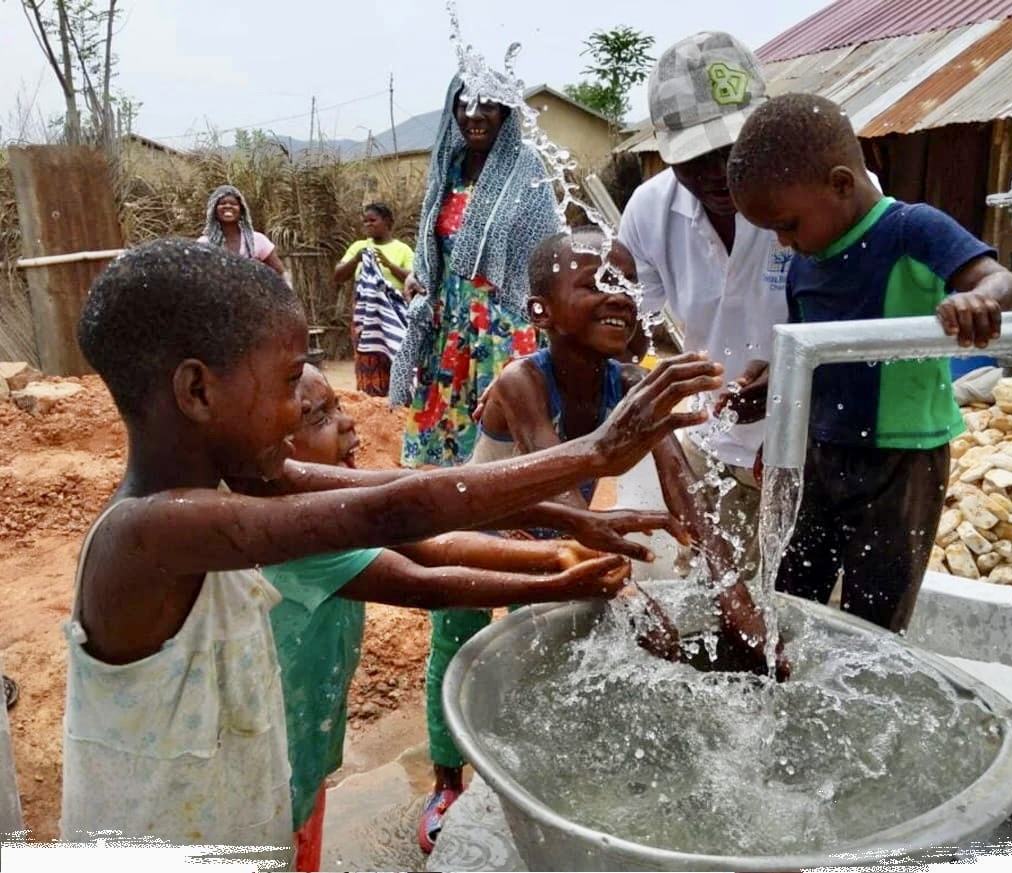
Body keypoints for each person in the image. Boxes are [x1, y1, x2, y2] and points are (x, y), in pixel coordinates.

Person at [61, 238, 721, 864]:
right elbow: (393, 513)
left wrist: (568, 520)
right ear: (199, 391)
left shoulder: (249, 480)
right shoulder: (147, 534)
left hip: (239, 822)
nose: (299, 411)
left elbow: (393, 488)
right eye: (291, 382)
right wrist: (593, 453)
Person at [418, 228, 790, 853]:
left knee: (536, 655)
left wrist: (735, 598)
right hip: (481, 529)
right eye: (592, 284)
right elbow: (560, 496)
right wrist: (629, 593)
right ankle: (446, 780)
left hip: (559, 530)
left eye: (623, 283)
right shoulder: (520, 383)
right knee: (460, 644)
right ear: (541, 310)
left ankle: (526, 768)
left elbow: (686, 492)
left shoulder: (630, 380)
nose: (616, 296)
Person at [267, 363, 641, 871]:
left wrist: (556, 553)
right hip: (268, 760)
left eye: (338, 404)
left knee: (298, 828)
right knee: (271, 839)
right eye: (319, 416)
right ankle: (445, 785)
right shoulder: (298, 528)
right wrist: (555, 577)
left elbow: (424, 533)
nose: (350, 421)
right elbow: (426, 576)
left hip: (300, 743)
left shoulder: (326, 503)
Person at [726, 92, 1012, 632]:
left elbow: (1000, 282)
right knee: (789, 601)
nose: (784, 242)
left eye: (789, 224)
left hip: (902, 462)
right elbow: (805, 352)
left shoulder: (912, 229)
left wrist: (979, 300)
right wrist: (771, 389)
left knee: (876, 618)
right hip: (818, 454)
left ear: (841, 183)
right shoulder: (807, 260)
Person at [618, 32, 792, 582]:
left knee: (807, 612)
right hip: (714, 445)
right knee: (713, 595)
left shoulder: (822, 194)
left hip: (813, 451)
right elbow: (629, 330)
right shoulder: (650, 210)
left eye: (735, 151)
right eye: (696, 158)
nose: (719, 172)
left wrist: (789, 379)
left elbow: (862, 319)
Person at [388, 73, 561, 466]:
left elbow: (546, 244)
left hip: (504, 319)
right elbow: (432, 239)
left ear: (505, 111)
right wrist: (421, 273)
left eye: (487, 104)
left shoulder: (525, 165)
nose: (474, 115)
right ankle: (455, 508)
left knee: (505, 412)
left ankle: (518, 507)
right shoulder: (449, 166)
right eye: (464, 104)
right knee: (449, 421)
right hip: (449, 324)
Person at [333, 203, 416, 395]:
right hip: (366, 314)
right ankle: (371, 399)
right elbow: (338, 275)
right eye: (365, 221)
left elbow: (414, 278)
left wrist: (389, 265)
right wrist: (357, 260)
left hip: (395, 313)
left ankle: (397, 399)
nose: (368, 225)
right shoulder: (359, 247)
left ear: (387, 222)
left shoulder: (402, 250)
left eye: (373, 220)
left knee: (395, 352)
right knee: (367, 353)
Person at [197, 184, 286, 275]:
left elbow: (278, 271)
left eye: (233, 204)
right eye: (222, 203)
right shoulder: (204, 244)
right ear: (214, 211)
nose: (228, 206)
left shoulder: (257, 240)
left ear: (242, 211)